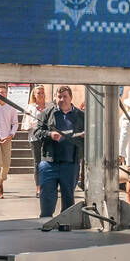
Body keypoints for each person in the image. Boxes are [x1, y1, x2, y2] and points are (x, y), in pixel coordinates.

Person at [34, 85, 84, 218]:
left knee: (68, 197)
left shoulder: (80, 115)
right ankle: (45, 221)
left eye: (65, 97)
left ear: (71, 98)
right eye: (59, 97)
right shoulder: (47, 113)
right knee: (47, 197)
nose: (62, 99)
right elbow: (37, 132)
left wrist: (84, 137)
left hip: (70, 163)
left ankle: (66, 223)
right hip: (49, 163)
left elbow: (90, 136)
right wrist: (50, 135)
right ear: (55, 98)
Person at [20, 86, 46, 195]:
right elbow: (25, 125)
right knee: (37, 163)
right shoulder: (30, 107)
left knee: (48, 162)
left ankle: (48, 186)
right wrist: (33, 124)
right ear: (34, 95)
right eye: (38, 93)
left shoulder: (50, 106)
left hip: (47, 137)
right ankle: (39, 188)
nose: (40, 95)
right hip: (34, 137)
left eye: (42, 93)